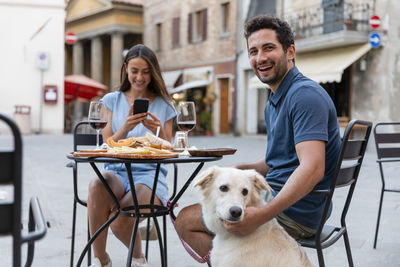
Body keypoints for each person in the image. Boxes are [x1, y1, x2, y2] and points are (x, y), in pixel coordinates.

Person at [175, 15, 341, 260]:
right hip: (284, 200)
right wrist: (239, 170)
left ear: (290, 51)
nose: (260, 58)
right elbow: (276, 161)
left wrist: (262, 215)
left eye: (269, 48)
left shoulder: (304, 96)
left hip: (298, 213)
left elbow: (313, 168)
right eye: (253, 51)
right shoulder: (276, 98)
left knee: (185, 220)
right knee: (216, 201)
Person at [87, 44, 177, 267]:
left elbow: (169, 150)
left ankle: (138, 259)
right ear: (126, 69)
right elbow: (108, 145)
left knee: (120, 220)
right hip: (116, 172)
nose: (140, 77)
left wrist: (158, 129)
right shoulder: (111, 100)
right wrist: (125, 128)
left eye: (146, 72)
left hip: (149, 176)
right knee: (98, 184)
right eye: (135, 70)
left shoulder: (165, 104)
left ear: (153, 72)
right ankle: (102, 259)